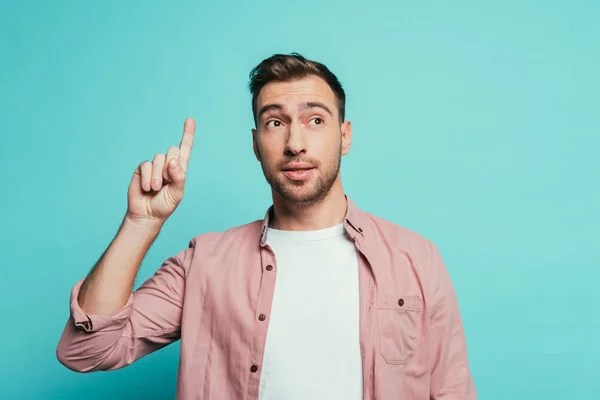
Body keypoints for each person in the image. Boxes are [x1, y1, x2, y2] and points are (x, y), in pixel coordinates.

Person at [56, 53, 477, 400]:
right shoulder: (204, 263)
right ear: (256, 143)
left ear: (344, 136)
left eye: (315, 120)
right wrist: (140, 222)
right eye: (276, 122)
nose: (295, 143)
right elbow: (87, 349)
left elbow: (452, 390)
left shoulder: (414, 258)